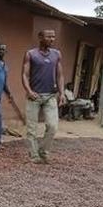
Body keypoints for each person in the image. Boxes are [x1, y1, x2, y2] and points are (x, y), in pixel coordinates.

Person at [22, 29, 64, 164]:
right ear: (40, 37)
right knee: (31, 129)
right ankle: (34, 156)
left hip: (50, 96)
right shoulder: (30, 54)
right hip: (34, 96)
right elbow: (25, 74)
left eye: (53, 37)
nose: (52, 39)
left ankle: (43, 151)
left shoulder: (56, 54)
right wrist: (28, 90)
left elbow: (60, 75)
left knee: (53, 126)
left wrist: (62, 93)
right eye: (49, 37)